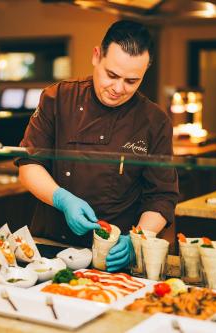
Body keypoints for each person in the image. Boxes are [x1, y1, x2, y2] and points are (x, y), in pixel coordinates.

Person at [15, 20, 179, 272]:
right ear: (96, 56)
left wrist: (136, 240)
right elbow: (29, 165)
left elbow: (161, 198)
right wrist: (62, 199)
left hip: (113, 259)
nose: (118, 88)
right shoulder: (57, 98)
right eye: (111, 75)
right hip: (49, 250)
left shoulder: (154, 121)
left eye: (131, 81)